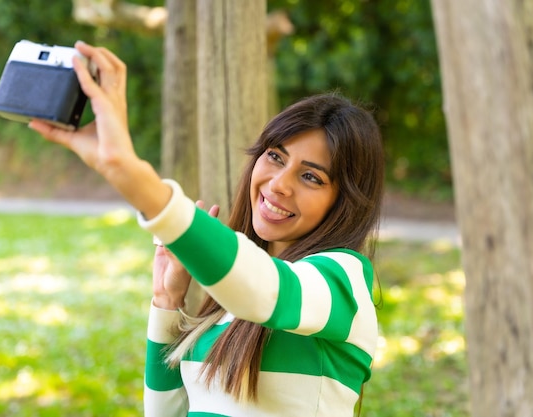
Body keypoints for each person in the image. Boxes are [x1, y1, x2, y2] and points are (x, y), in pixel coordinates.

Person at [29, 41, 384, 417]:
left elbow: (267, 291)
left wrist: (129, 172)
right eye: (275, 156)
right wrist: (167, 302)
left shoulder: (344, 280)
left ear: (344, 200)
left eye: (311, 176)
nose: (279, 183)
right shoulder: (227, 304)